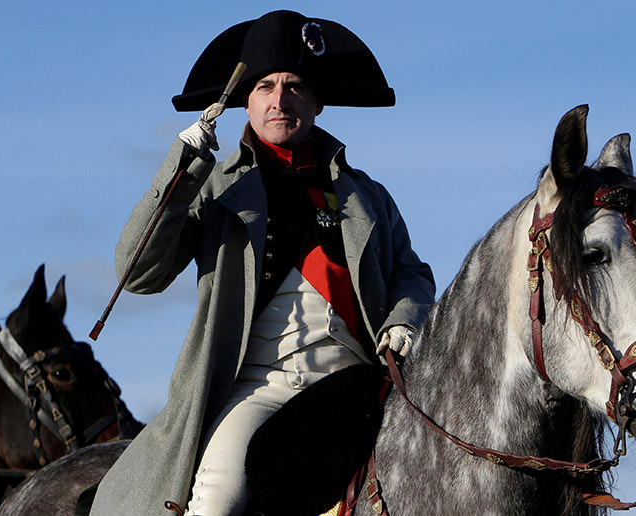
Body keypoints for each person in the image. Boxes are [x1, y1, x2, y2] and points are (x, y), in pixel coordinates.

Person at [89, 10, 435, 516]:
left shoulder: (368, 196)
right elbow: (138, 274)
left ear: (317, 100)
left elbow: (412, 273)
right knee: (216, 504)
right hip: (256, 389)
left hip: (359, 385)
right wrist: (178, 176)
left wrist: (405, 319)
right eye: (265, 86)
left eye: (294, 86)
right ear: (244, 102)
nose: (279, 100)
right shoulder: (213, 187)